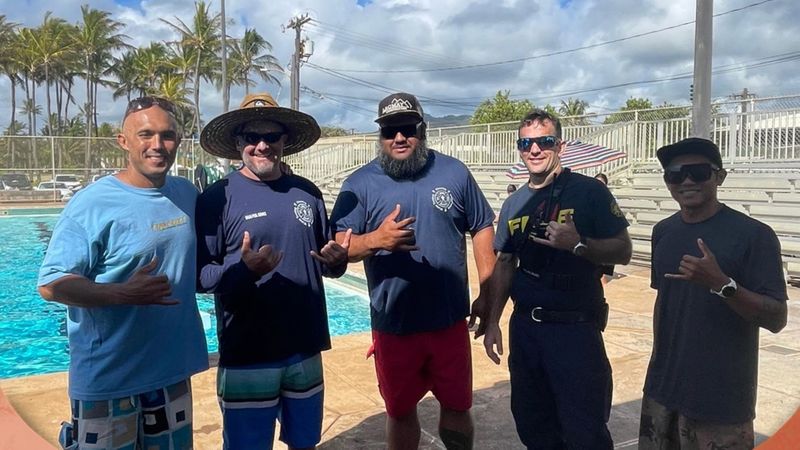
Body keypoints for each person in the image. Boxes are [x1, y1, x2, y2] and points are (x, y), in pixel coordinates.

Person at [38, 96, 208, 450]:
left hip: (170, 373)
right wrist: (122, 293)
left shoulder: (187, 194)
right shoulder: (93, 204)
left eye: (167, 135)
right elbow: (52, 284)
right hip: (109, 379)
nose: (157, 146)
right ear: (123, 141)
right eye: (145, 134)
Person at [330, 92, 496, 450]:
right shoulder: (360, 184)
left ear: (422, 129)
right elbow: (339, 249)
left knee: (457, 406)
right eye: (390, 131)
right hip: (394, 326)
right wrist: (377, 238)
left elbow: (482, 225)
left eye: (408, 128)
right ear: (380, 136)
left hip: (448, 321)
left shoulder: (454, 172)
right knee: (400, 412)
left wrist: (487, 291)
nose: (399, 138)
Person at [196, 93, 350, 450]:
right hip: (248, 353)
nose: (262, 145)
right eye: (252, 137)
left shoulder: (307, 193)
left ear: (284, 141)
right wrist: (243, 271)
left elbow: (325, 265)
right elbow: (200, 276)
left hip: (304, 348)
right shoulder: (217, 198)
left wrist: (337, 262)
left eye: (271, 136)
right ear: (238, 144)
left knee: (304, 442)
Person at [481, 109, 632, 449]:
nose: (534, 150)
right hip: (527, 331)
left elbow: (623, 250)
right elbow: (505, 263)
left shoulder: (589, 192)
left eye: (544, 141)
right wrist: (493, 322)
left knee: (584, 431)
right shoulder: (514, 203)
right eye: (526, 143)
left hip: (574, 331)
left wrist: (578, 244)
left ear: (559, 146)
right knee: (533, 424)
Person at [638, 137, 788, 449]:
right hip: (663, 391)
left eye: (698, 172)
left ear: (719, 176)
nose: (687, 180)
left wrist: (723, 285)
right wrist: (656, 369)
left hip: (720, 401)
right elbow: (664, 303)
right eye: (675, 174)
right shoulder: (662, 232)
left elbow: (776, 318)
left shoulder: (754, 235)